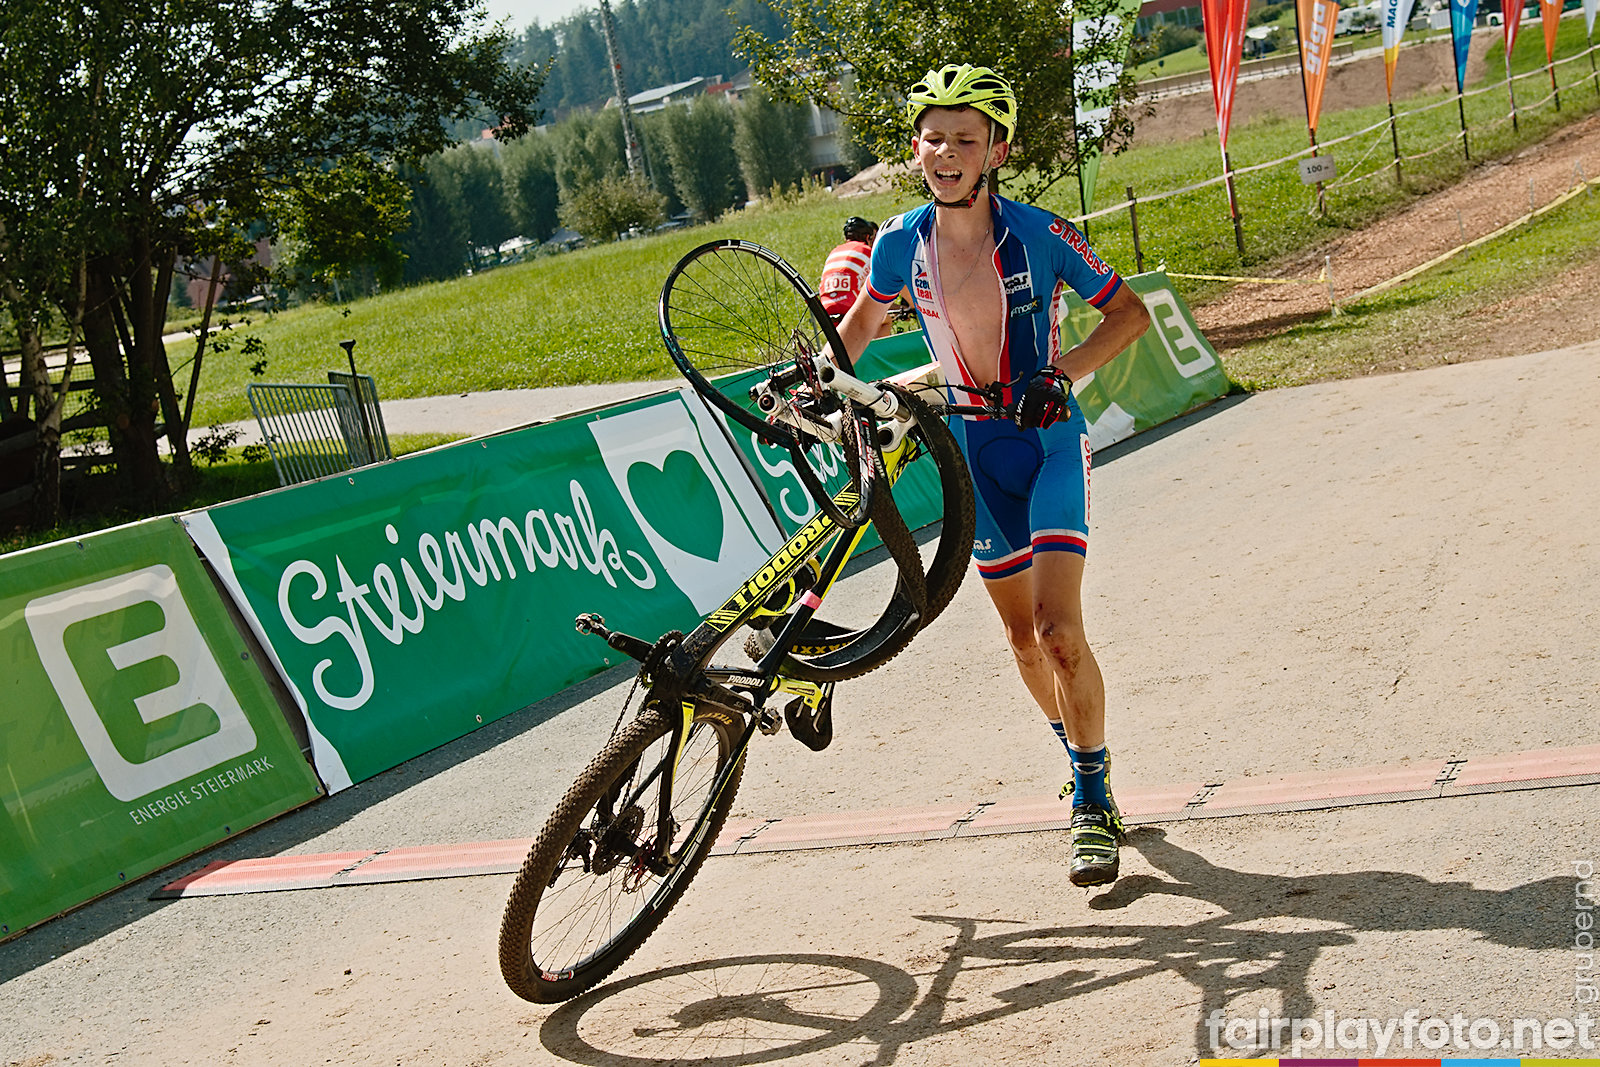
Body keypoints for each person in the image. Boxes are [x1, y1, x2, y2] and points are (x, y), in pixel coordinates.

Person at [835, 63, 1152, 887]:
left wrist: (1063, 371)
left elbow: (1131, 315)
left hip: (1048, 444)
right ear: (916, 149)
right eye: (933, 138)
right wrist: (817, 379)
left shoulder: (1042, 234)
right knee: (1020, 641)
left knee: (1057, 630)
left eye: (965, 140)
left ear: (997, 152)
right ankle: (1082, 757)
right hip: (974, 454)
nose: (946, 153)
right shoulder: (901, 242)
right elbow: (856, 333)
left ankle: (1092, 801)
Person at [818, 216, 879, 323]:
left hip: (825, 309)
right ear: (867, 237)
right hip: (850, 308)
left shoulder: (835, 251)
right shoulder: (866, 251)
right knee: (885, 321)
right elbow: (880, 290)